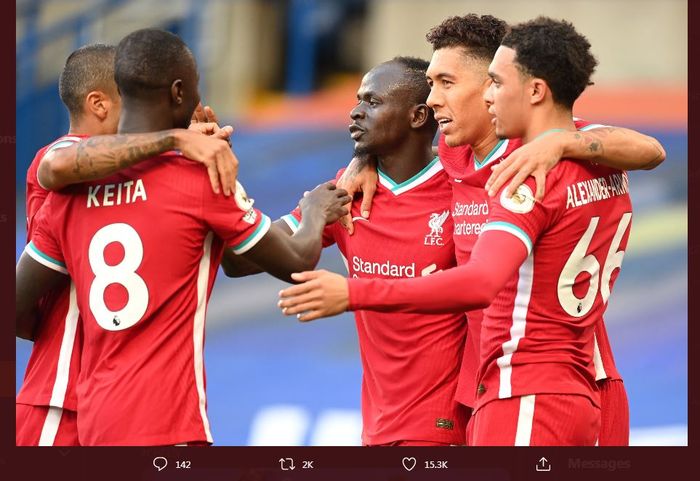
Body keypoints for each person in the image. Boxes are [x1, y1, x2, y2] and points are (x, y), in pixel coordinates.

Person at [279, 15, 662, 445]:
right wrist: (363, 158)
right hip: (543, 386)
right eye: (430, 84)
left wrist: (561, 143)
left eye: (446, 82)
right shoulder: (461, 153)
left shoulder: (530, 162)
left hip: (538, 384)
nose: (433, 98)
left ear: (491, 88)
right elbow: (650, 150)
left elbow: (480, 280)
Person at [16, 28, 349, 446]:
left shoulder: (71, 196)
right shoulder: (68, 165)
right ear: (177, 92)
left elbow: (237, 256)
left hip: (95, 409)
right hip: (78, 398)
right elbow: (290, 259)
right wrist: (314, 210)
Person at [234, 57, 469, 445]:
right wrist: (308, 213)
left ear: (417, 116)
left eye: (373, 102)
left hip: (445, 423)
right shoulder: (345, 192)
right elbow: (242, 259)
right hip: (377, 425)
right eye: (358, 100)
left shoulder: (463, 187)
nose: (356, 112)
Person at [16, 44, 241, 446]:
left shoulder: (131, 177)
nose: (143, 115)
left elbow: (235, 255)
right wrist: (173, 138)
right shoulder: (58, 157)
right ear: (99, 104)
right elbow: (58, 166)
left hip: (112, 403)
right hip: (59, 396)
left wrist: (208, 161)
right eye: (132, 101)